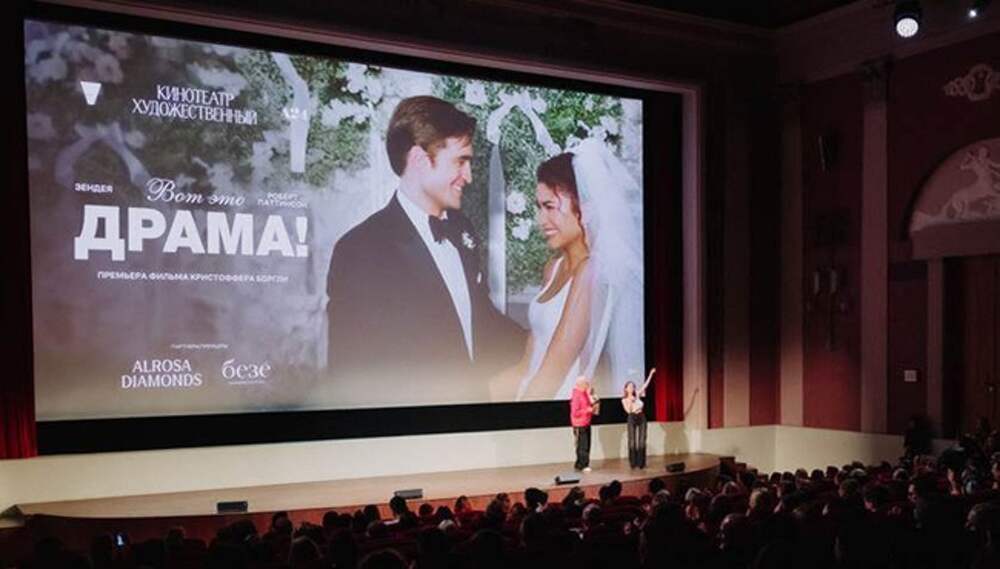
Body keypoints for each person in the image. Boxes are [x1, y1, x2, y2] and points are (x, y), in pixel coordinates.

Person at [326, 96, 524, 399]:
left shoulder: (462, 230)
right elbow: (349, 376)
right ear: (419, 159)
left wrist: (546, 342)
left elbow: (479, 320)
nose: (469, 177)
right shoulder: (359, 250)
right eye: (460, 161)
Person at [489, 139, 644, 401]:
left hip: (552, 405)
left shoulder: (592, 272)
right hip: (527, 394)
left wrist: (515, 418)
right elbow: (528, 362)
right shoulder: (552, 269)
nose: (541, 220)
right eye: (539, 208)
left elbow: (554, 371)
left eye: (550, 207)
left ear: (584, 208)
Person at [622, 368, 655, 469]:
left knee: (642, 440)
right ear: (626, 389)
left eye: (633, 386)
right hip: (632, 417)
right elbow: (628, 411)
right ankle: (633, 463)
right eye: (629, 386)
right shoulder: (624, 400)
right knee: (632, 441)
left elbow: (645, 385)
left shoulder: (637, 395)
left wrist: (651, 374)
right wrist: (631, 401)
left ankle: (641, 463)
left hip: (641, 417)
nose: (631, 388)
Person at [571, 376, 596, 472]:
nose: (588, 385)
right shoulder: (576, 395)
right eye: (586, 383)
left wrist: (590, 395)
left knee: (586, 444)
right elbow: (575, 412)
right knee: (582, 445)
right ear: (581, 384)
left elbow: (590, 403)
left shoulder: (584, 393)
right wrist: (587, 410)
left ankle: (580, 463)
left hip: (586, 422)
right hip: (579, 424)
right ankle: (583, 464)